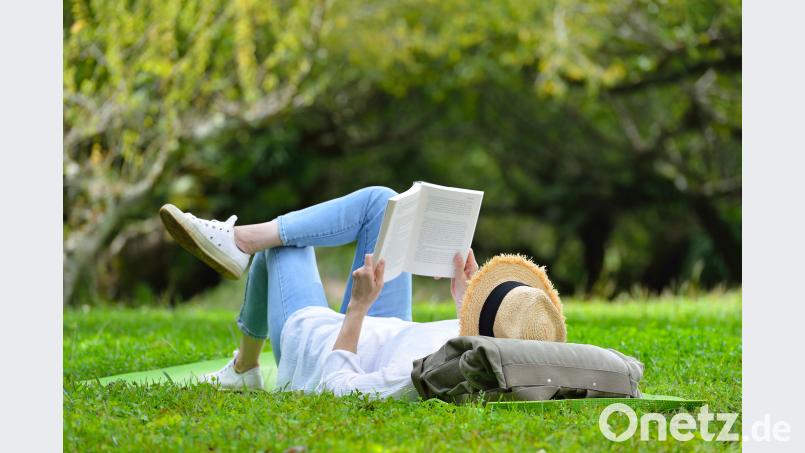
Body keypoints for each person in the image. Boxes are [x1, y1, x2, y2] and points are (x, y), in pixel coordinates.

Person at [160, 186, 566, 399]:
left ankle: (242, 244)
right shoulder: (497, 352)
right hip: (387, 327)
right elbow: (468, 346)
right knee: (381, 202)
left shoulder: (425, 376)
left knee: (283, 246)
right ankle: (243, 362)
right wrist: (464, 304)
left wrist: (357, 308)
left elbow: (339, 387)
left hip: (322, 347)